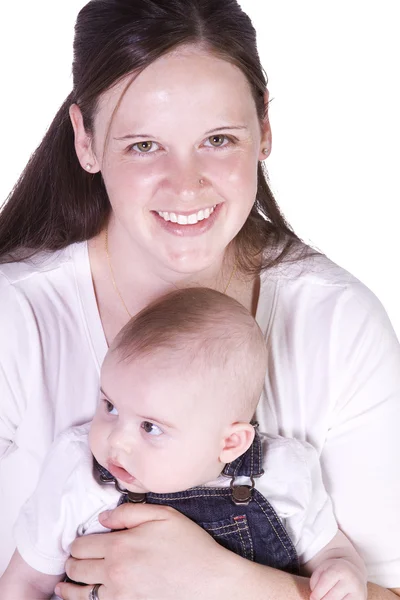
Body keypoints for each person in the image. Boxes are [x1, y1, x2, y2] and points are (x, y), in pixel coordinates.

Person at [0, 0, 399, 599]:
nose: (185, 185)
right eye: (143, 145)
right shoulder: (16, 319)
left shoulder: (336, 325)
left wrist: (221, 581)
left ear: (264, 130)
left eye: (217, 138)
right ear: (85, 140)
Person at [0, 288, 367, 600]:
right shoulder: (77, 473)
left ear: (230, 443)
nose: (116, 440)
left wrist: (342, 570)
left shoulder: (283, 473)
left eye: (150, 427)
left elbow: (330, 549)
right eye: (110, 406)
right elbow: (26, 581)